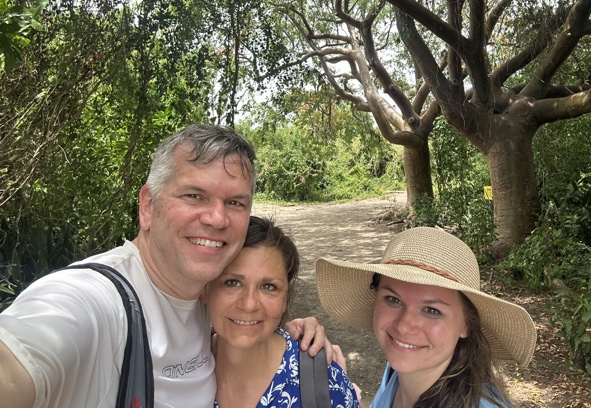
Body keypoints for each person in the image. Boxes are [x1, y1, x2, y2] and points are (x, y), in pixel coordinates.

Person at [0, 124, 327, 408]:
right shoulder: (94, 299)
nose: (217, 218)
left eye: (234, 202)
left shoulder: (203, 301)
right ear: (147, 206)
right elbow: (23, 357)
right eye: (194, 196)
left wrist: (296, 343)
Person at [315, 226, 537, 408]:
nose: (404, 326)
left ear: (466, 325)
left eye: (432, 310)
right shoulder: (398, 373)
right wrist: (343, 394)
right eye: (393, 299)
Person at [205, 215, 360, 408]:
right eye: (232, 282)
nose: (249, 304)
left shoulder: (327, 384)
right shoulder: (179, 362)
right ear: (204, 289)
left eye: (268, 287)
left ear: (286, 298)